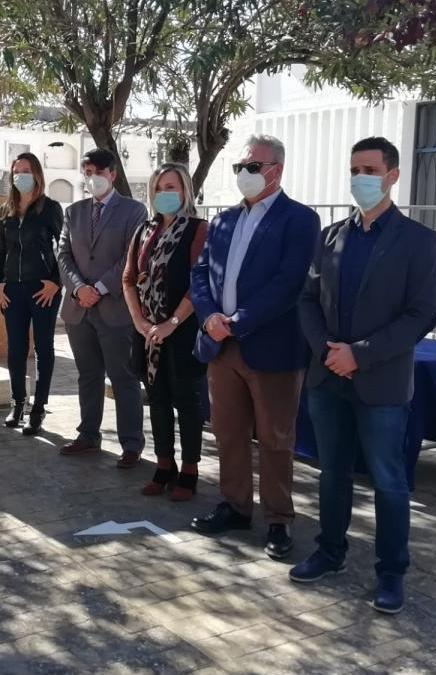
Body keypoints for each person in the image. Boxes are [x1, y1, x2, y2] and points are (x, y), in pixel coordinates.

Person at [291, 137, 436, 615]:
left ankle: (391, 572)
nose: (361, 178)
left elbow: (421, 315)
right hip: (328, 377)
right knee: (331, 471)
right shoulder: (332, 236)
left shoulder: (419, 241)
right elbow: (308, 301)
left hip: (381, 381)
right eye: (355, 168)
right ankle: (330, 551)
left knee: (388, 481)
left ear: (393, 175)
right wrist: (328, 352)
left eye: (371, 169)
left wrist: (361, 354)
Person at [188, 135, 319, 560]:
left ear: (275, 170)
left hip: (272, 349)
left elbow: (288, 283)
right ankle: (236, 505)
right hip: (221, 348)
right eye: (239, 167)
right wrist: (209, 318)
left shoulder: (299, 220)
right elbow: (202, 272)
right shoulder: (224, 221)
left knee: (276, 439)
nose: (243, 174)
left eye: (251, 166)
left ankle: (278, 520)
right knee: (228, 433)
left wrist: (237, 323)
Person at [122, 164, 208, 500]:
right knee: (156, 400)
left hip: (182, 330)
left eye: (171, 187)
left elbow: (200, 281)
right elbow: (129, 279)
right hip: (149, 336)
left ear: (185, 191)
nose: (164, 194)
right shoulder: (144, 230)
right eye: (159, 188)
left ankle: (189, 469)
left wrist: (172, 322)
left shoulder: (199, 230)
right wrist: (141, 323)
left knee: (186, 400)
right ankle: (163, 464)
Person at [56, 148, 148, 467]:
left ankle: (132, 443)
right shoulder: (75, 211)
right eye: (86, 172)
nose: (91, 178)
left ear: (112, 173)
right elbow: (63, 254)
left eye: (96, 171)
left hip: (115, 308)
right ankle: (88, 435)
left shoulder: (134, 211)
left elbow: (130, 256)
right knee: (88, 375)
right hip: (79, 309)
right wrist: (80, 287)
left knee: (123, 378)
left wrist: (99, 288)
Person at [0, 152, 63, 435]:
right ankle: (18, 403)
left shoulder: (50, 208)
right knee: (16, 349)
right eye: (16, 170)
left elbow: (64, 248)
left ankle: (39, 408)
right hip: (12, 290)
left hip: (43, 289)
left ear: (36, 173)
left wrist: (56, 282)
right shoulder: (5, 210)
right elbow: (0, 250)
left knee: (44, 348)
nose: (20, 174)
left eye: (26, 169)